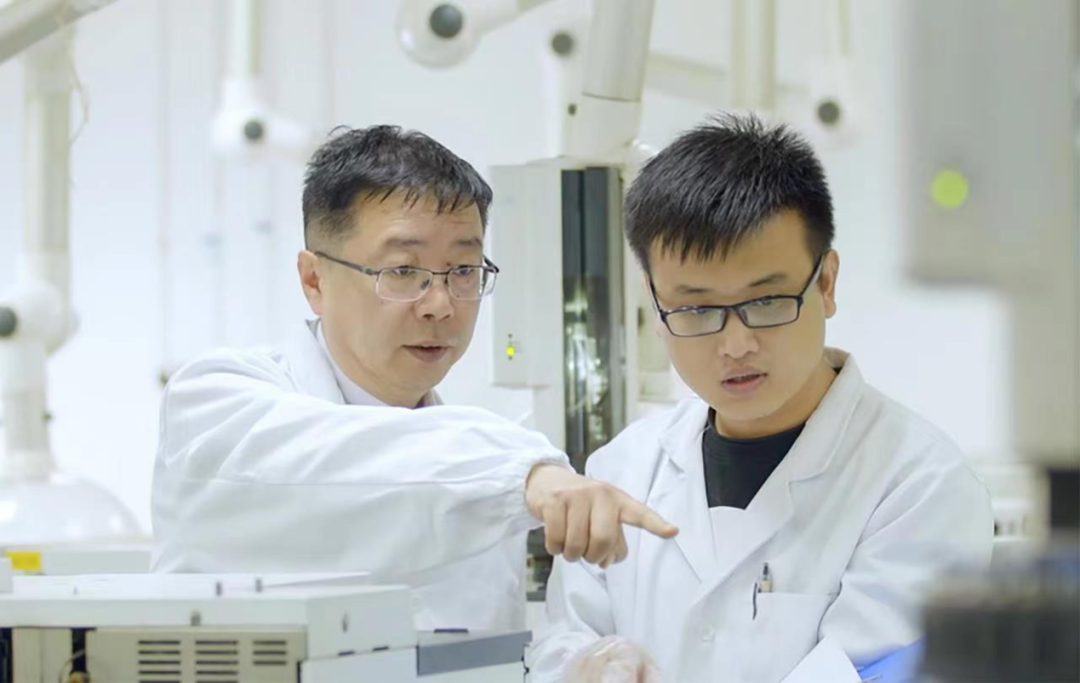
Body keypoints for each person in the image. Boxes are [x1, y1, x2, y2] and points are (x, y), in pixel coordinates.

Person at [151, 125, 677, 632]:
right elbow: (340, 468)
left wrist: (581, 662)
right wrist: (527, 477)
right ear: (314, 280)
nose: (440, 304)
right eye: (403, 271)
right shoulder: (214, 403)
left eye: (463, 271)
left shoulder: (480, 476)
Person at [529, 114, 993, 682]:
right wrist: (584, 664)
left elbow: (864, 671)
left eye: (767, 301)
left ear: (826, 283)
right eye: (696, 309)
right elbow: (561, 641)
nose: (735, 344)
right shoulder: (623, 469)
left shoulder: (919, 485)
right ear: (655, 301)